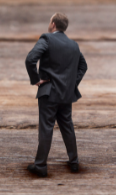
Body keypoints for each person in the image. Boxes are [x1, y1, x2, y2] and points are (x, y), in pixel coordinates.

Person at [25, 12, 88, 177]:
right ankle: (74, 162)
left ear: (53, 24)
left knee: (46, 128)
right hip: (66, 95)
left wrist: (36, 79)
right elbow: (83, 66)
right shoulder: (73, 45)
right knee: (67, 127)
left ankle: (40, 165)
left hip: (49, 92)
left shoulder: (47, 39)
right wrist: (72, 84)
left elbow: (31, 59)